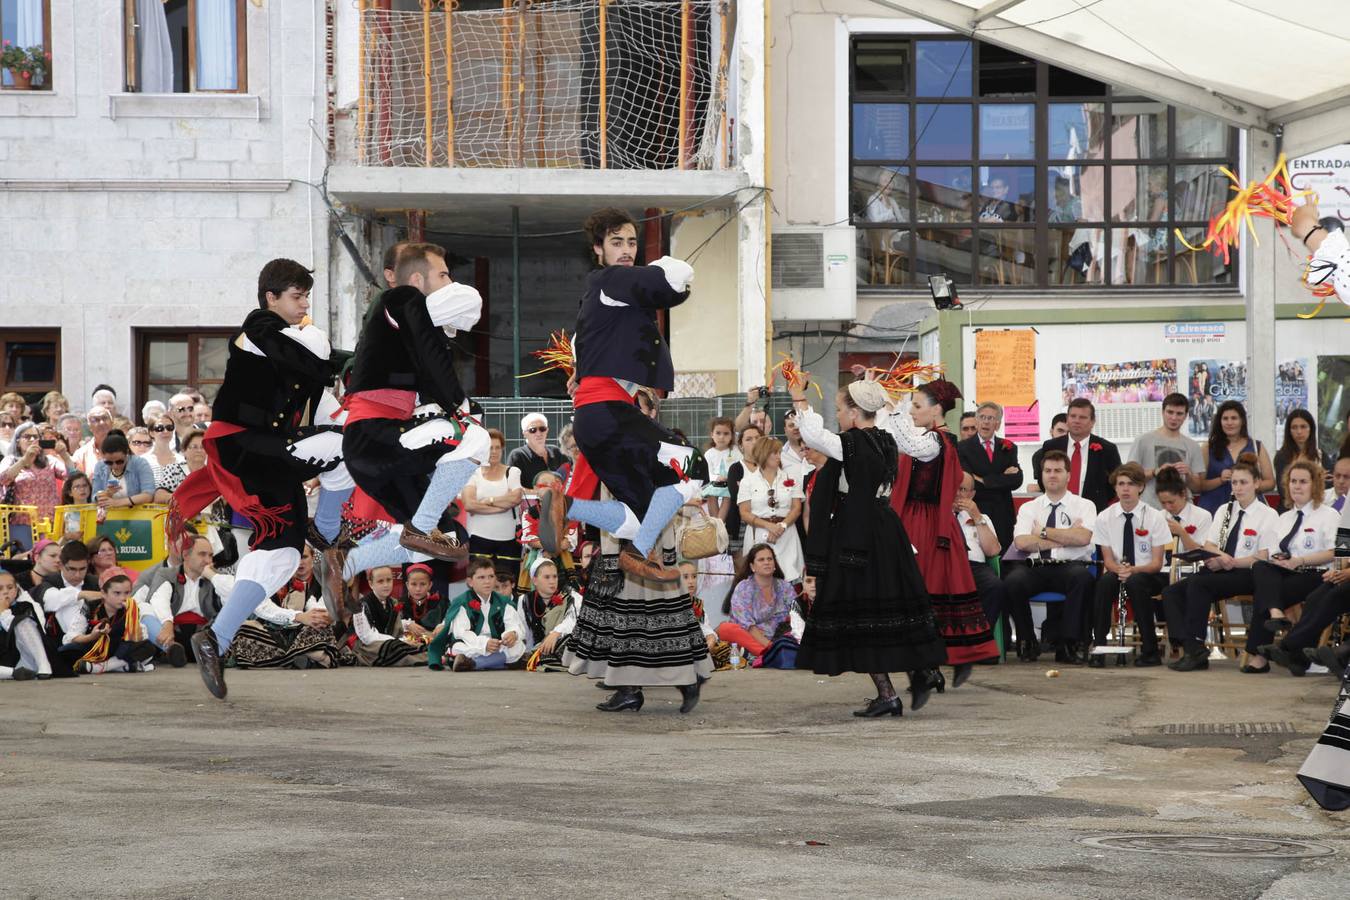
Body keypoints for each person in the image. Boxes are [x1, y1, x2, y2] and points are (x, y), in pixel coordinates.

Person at [169, 259, 340, 700]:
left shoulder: (299, 344)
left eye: (305, 296)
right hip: (243, 445)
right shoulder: (258, 328)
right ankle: (331, 527)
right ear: (271, 298)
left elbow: (323, 393)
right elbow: (303, 357)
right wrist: (330, 359)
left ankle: (216, 638)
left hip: (269, 453)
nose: (304, 305)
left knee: (282, 554)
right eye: (296, 296)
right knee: (346, 447)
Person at [540, 208, 701, 583]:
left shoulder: (602, 301)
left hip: (594, 419)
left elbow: (586, 359)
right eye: (616, 242)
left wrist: (580, 378)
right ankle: (638, 554)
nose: (627, 250)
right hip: (610, 413)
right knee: (694, 468)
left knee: (642, 514)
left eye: (631, 242)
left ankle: (569, 505)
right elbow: (670, 287)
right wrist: (672, 269)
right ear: (599, 249)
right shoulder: (612, 279)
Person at [788, 376, 947, 718]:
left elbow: (814, 435)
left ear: (856, 412)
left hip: (857, 534)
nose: (840, 416)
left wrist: (798, 395)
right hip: (885, 529)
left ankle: (890, 691)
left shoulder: (853, 443)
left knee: (858, 613)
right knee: (891, 606)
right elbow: (923, 445)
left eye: (841, 410)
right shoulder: (886, 440)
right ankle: (921, 669)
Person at [339, 241, 488, 577]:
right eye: (444, 274)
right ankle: (420, 528)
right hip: (374, 437)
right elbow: (468, 304)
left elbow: (436, 348)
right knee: (475, 437)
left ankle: (345, 566)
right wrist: (458, 404)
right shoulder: (400, 298)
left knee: (451, 540)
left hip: (381, 448)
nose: (450, 282)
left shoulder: (408, 325)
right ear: (419, 280)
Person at [885, 379, 999, 684]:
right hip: (914, 519)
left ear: (936, 410)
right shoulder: (927, 437)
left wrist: (891, 406)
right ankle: (931, 665)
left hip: (927, 522)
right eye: (911, 405)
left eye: (917, 405)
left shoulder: (938, 441)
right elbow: (898, 439)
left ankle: (933, 664)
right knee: (927, 593)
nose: (911, 410)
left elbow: (907, 442)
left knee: (927, 593)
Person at [1160, 455, 1280, 672]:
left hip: (1248, 572)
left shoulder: (1268, 514)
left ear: (1256, 483)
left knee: (1199, 585)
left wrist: (1231, 562)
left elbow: (1263, 557)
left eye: (1243, 482)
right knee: (1172, 592)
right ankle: (1192, 646)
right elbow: (1210, 544)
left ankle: (1194, 648)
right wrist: (1217, 557)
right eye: (1234, 482)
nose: (1238, 487)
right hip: (1222, 568)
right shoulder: (1225, 510)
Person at [1243, 461, 1339, 672]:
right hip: (1285, 572)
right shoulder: (1283, 518)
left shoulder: (1329, 515)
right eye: (1293, 481)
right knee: (1261, 568)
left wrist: (1300, 561)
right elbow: (1271, 551)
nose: (1296, 486)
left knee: (1266, 593)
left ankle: (1262, 657)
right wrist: (1280, 559)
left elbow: (1335, 552)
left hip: (1315, 573)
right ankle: (1277, 615)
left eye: (1303, 481)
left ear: (1315, 485)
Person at [1006, 450, 1099, 663]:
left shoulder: (1085, 505)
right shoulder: (1029, 508)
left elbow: (1084, 538)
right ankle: (1028, 640)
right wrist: (1067, 536)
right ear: (1041, 474)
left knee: (1082, 578)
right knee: (1013, 581)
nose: (1052, 475)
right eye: (1047, 470)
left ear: (1068, 475)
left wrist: (1042, 532)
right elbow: (1021, 542)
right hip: (1035, 566)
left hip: (1070, 566)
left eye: (1058, 470)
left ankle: (1067, 644)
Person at [1089, 463, 1169, 667]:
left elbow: (1157, 563)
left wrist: (1132, 571)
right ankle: (1099, 648)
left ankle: (1150, 651)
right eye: (1121, 484)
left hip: (1149, 574)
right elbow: (1107, 560)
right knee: (1104, 583)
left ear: (1141, 487)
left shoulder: (1155, 517)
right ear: (1115, 488)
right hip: (1119, 570)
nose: (1125, 489)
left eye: (1131, 484)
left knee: (1136, 583)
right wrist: (1120, 570)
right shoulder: (1104, 517)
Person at [230, 543, 349, 669]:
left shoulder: (325, 581)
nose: (300, 562)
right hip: (279, 633)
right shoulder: (277, 580)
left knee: (319, 627)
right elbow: (263, 609)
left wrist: (319, 617)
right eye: (295, 558)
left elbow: (323, 613)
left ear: (313, 558)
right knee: (243, 629)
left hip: (309, 631)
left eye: (304, 557)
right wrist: (298, 616)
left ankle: (286, 658)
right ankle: (304, 657)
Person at [132, 534, 231, 668]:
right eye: (202, 554)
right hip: (172, 635)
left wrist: (212, 576)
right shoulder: (166, 573)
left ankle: (208, 653)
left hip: (206, 637)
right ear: (186, 555)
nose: (208, 560)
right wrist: (167, 625)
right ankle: (171, 649)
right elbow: (160, 600)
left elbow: (235, 600)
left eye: (210, 555)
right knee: (142, 607)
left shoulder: (218, 577)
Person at [425, 557, 526, 671]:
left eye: (491, 577)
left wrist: (512, 634)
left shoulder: (503, 602)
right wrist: (484, 644)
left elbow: (514, 624)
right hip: (473, 643)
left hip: (496, 644)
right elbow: (462, 633)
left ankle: (473, 664)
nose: (487, 581)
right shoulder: (462, 602)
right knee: (458, 647)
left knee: (517, 646)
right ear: (470, 582)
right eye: (481, 577)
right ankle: (499, 663)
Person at [53, 570, 156, 676]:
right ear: (103, 593)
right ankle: (122, 667)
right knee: (64, 651)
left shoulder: (132, 609)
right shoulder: (91, 607)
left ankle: (101, 667)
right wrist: (92, 636)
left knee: (147, 648)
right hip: (94, 648)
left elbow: (140, 638)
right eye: (117, 593)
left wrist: (134, 627)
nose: (123, 598)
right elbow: (71, 637)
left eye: (127, 593)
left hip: (119, 650)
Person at [957, 400, 1023, 550]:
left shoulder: (1008, 447)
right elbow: (969, 482)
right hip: (977, 510)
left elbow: (1017, 480)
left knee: (1005, 559)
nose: (986, 422)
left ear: (998, 424)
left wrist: (984, 480)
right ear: (977, 420)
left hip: (1003, 512)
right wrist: (1001, 477)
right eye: (982, 417)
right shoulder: (962, 447)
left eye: (991, 418)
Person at [737, 437, 805, 583]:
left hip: (786, 534)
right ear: (762, 454)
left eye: (779, 452)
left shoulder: (791, 477)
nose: (778, 456)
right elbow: (744, 513)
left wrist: (782, 526)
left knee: (789, 578)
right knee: (760, 581)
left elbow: (796, 508)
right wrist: (769, 526)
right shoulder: (747, 481)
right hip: (759, 534)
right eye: (773, 452)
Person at [1034, 399, 1122, 511]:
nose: (1076, 421)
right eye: (1073, 416)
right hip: (1056, 509)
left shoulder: (1107, 449)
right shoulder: (1051, 446)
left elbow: (1115, 483)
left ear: (1092, 422)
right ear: (1067, 419)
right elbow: (1043, 480)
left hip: (1094, 511)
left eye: (1082, 417)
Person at [715, 543, 796, 658]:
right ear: (752, 567)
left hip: (779, 638)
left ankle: (772, 654)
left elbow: (796, 617)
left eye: (769, 559)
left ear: (774, 564)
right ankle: (770, 654)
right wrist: (770, 646)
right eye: (761, 560)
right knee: (726, 628)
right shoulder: (743, 588)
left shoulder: (785, 587)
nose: (766, 562)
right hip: (751, 640)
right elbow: (749, 627)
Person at [1195, 400, 1276, 514]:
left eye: (1234, 418)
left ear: (1242, 421)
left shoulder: (1256, 446)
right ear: (1219, 422)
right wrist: (1220, 480)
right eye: (1225, 418)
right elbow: (1199, 485)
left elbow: (1270, 482)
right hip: (1214, 508)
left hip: (1249, 510)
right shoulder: (1207, 447)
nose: (1229, 422)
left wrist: (1248, 485)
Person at [462, 429, 524, 575]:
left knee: (507, 585)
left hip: (509, 540)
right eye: (490, 448)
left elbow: (515, 498)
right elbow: (469, 504)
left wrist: (488, 501)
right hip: (479, 539)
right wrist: (501, 507)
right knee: (481, 584)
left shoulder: (512, 472)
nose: (494, 452)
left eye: (497, 448)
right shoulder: (472, 473)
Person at [1129, 393, 1205, 507]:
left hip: (1182, 510)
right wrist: (1155, 472)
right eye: (1170, 412)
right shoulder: (1143, 440)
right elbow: (1130, 477)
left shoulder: (1193, 446)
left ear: (1185, 416)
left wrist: (1188, 474)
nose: (1174, 418)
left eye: (1179, 414)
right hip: (1150, 507)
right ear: (1163, 412)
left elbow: (1198, 487)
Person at [954, 471, 1005, 639]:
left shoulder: (982, 518)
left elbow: (993, 551)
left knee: (995, 586)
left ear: (972, 494)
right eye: (953, 487)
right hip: (946, 564)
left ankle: (980, 640)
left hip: (974, 566)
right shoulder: (935, 515)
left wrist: (976, 517)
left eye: (962, 489)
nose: (957, 493)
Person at [345, 566, 429, 667]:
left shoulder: (392, 603)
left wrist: (405, 636)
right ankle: (426, 658)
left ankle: (429, 656)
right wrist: (395, 640)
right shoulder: (361, 606)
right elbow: (367, 637)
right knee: (394, 647)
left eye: (389, 580)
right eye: (380, 581)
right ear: (371, 584)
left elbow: (396, 628)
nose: (386, 585)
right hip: (368, 646)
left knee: (416, 644)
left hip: (387, 642)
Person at [0, 422, 65, 523]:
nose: (32, 440)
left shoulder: (49, 460)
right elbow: (2, 479)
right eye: (27, 437)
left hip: (49, 523)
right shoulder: (10, 460)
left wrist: (64, 455)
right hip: (20, 523)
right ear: (18, 442)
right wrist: (24, 460)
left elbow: (70, 476)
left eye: (35, 437)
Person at [1273, 409, 1334, 506]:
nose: (1299, 431)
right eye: (1294, 427)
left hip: (1316, 508)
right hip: (1290, 509)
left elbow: (1331, 485)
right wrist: (1318, 479)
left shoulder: (1321, 455)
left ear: (1311, 428)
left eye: (1303, 426)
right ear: (1289, 431)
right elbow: (1283, 490)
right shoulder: (1282, 457)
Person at [0, 569, 52, 680]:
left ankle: (44, 666)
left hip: (22, 659)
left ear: (16, 590)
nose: (5, 592)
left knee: (23, 621)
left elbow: (39, 633)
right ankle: (13, 673)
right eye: (0, 589)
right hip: (3, 667)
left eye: (10, 588)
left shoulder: (25, 606)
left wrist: (4, 612)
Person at [91, 432, 156, 510]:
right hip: (109, 517)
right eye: (109, 462)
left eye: (119, 461)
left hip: (137, 517)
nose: (114, 466)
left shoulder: (140, 463)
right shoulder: (100, 466)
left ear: (127, 454)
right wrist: (107, 493)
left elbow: (148, 495)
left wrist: (117, 503)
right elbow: (94, 497)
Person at [506, 413, 567, 489]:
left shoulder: (557, 452)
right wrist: (539, 493)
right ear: (524, 434)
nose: (538, 433)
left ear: (547, 430)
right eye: (533, 430)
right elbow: (513, 488)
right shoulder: (517, 456)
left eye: (542, 429)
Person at [701, 416, 739, 519]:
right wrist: (716, 478)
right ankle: (716, 521)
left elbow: (739, 468)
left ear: (732, 436)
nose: (722, 437)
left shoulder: (735, 451)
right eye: (718, 433)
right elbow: (708, 473)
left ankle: (720, 523)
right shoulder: (709, 453)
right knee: (711, 494)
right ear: (711, 435)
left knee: (727, 495)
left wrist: (732, 478)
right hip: (715, 483)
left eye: (726, 433)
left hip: (730, 484)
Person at [144, 414, 187, 499]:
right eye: (159, 428)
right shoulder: (143, 460)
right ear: (151, 432)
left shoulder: (181, 460)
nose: (165, 431)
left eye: (169, 428)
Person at [1027, 414, 1069, 494]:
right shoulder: (1039, 455)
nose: (1064, 435)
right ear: (1051, 431)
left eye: (1068, 432)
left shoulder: (1078, 452)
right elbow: (1042, 483)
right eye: (1060, 431)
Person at [71, 406, 113, 476]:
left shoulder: (126, 449)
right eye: (96, 420)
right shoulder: (81, 455)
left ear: (112, 422)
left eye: (105, 418)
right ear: (90, 427)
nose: (102, 423)